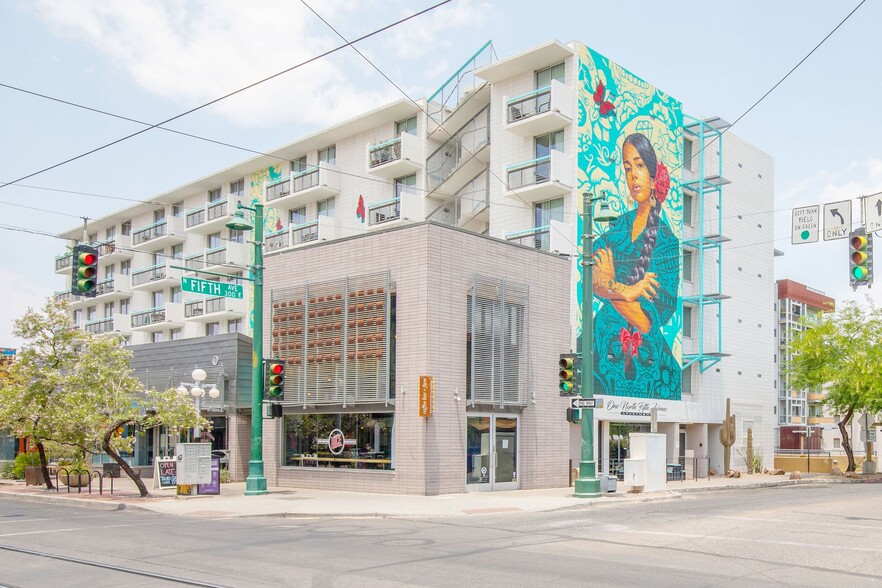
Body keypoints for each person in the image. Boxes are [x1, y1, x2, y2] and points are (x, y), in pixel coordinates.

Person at [591, 132, 680, 399]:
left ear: (654, 177)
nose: (632, 176)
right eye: (627, 168)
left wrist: (610, 288)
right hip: (600, 345)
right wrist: (628, 292)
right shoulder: (616, 226)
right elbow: (593, 277)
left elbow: (646, 321)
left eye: (639, 165)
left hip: (645, 359)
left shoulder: (667, 242)